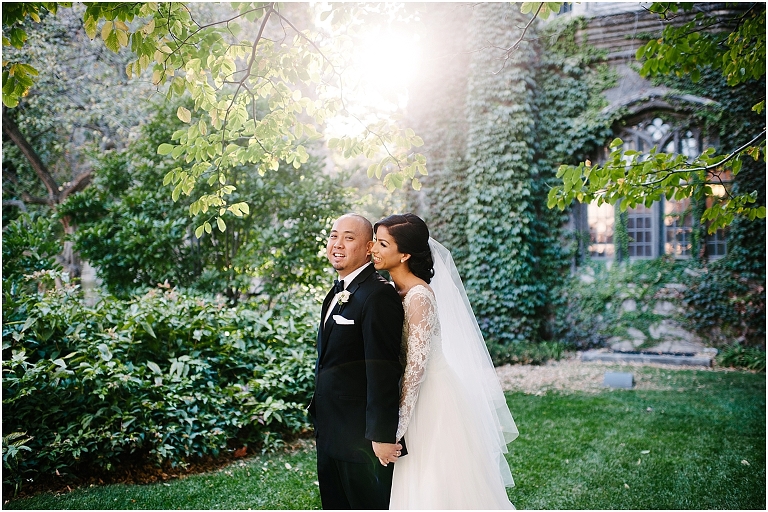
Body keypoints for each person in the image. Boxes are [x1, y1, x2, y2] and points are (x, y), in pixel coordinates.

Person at [371, 213, 519, 510]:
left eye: (382, 243)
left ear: (405, 254)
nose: (373, 248)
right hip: (410, 394)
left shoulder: (418, 296)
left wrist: (397, 424)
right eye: (375, 240)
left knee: (436, 480)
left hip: (432, 398)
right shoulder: (391, 291)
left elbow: (416, 367)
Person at [307, 213, 406, 510]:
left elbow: (383, 369)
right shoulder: (336, 291)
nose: (337, 244)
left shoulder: (377, 295)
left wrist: (381, 435)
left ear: (368, 248)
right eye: (333, 235)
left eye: (349, 238)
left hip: (361, 442)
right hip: (330, 433)